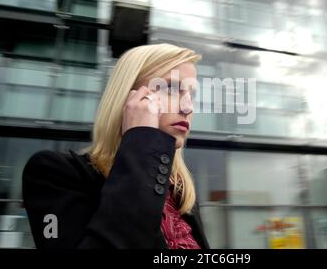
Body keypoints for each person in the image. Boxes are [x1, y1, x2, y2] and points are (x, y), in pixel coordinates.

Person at [22, 43, 210, 249]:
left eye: (192, 95)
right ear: (128, 97)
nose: (188, 107)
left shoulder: (181, 191)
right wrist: (142, 139)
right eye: (171, 88)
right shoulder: (54, 173)